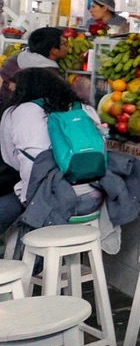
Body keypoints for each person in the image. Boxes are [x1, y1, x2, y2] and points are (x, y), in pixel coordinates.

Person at [0, 68, 105, 235]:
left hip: (49, 198)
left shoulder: (17, 112)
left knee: (15, 201)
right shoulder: (86, 110)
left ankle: (34, 256)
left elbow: (10, 160)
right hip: (93, 200)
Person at [0, 26, 67, 108]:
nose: (68, 47)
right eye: (64, 44)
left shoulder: (13, 60)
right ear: (54, 51)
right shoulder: (49, 75)